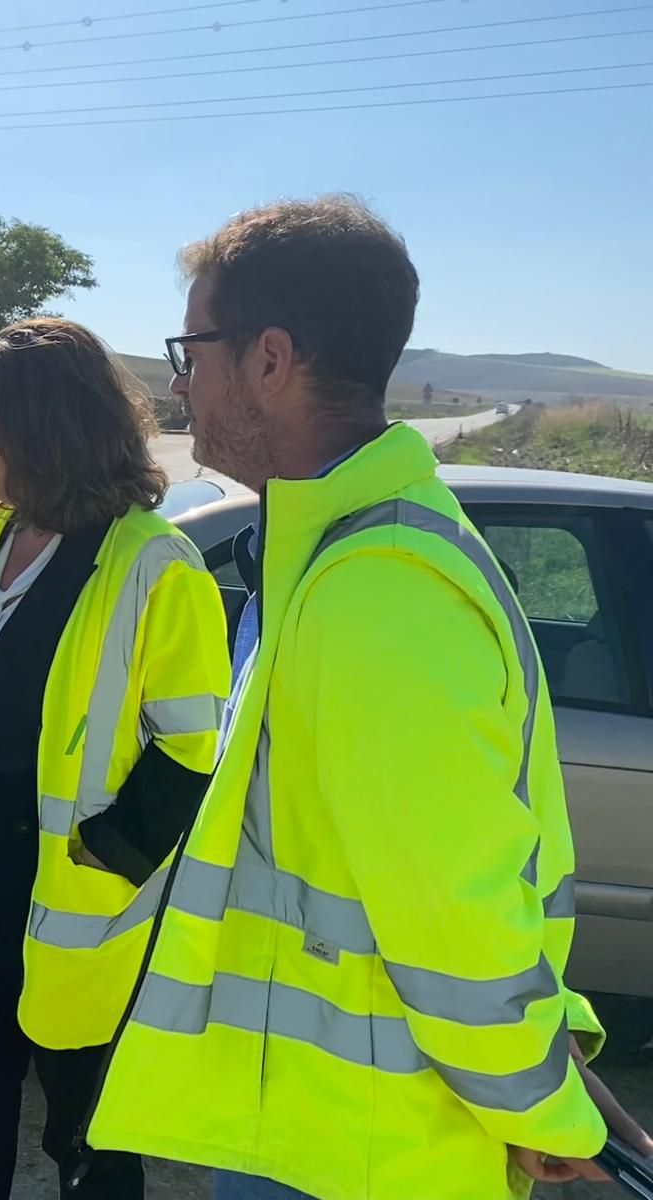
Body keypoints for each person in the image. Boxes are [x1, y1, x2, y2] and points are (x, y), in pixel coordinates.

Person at [79, 196, 653, 1198]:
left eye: (191, 348)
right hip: (324, 1136)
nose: (178, 382)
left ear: (268, 359)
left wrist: (543, 1104)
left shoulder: (377, 589)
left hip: (368, 1157)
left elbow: (452, 915)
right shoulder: (328, 551)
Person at [0, 317, 231, 1200]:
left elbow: (197, 748)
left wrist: (106, 852)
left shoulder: (158, 565)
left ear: (47, 426)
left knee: (86, 1133)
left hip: (72, 902)